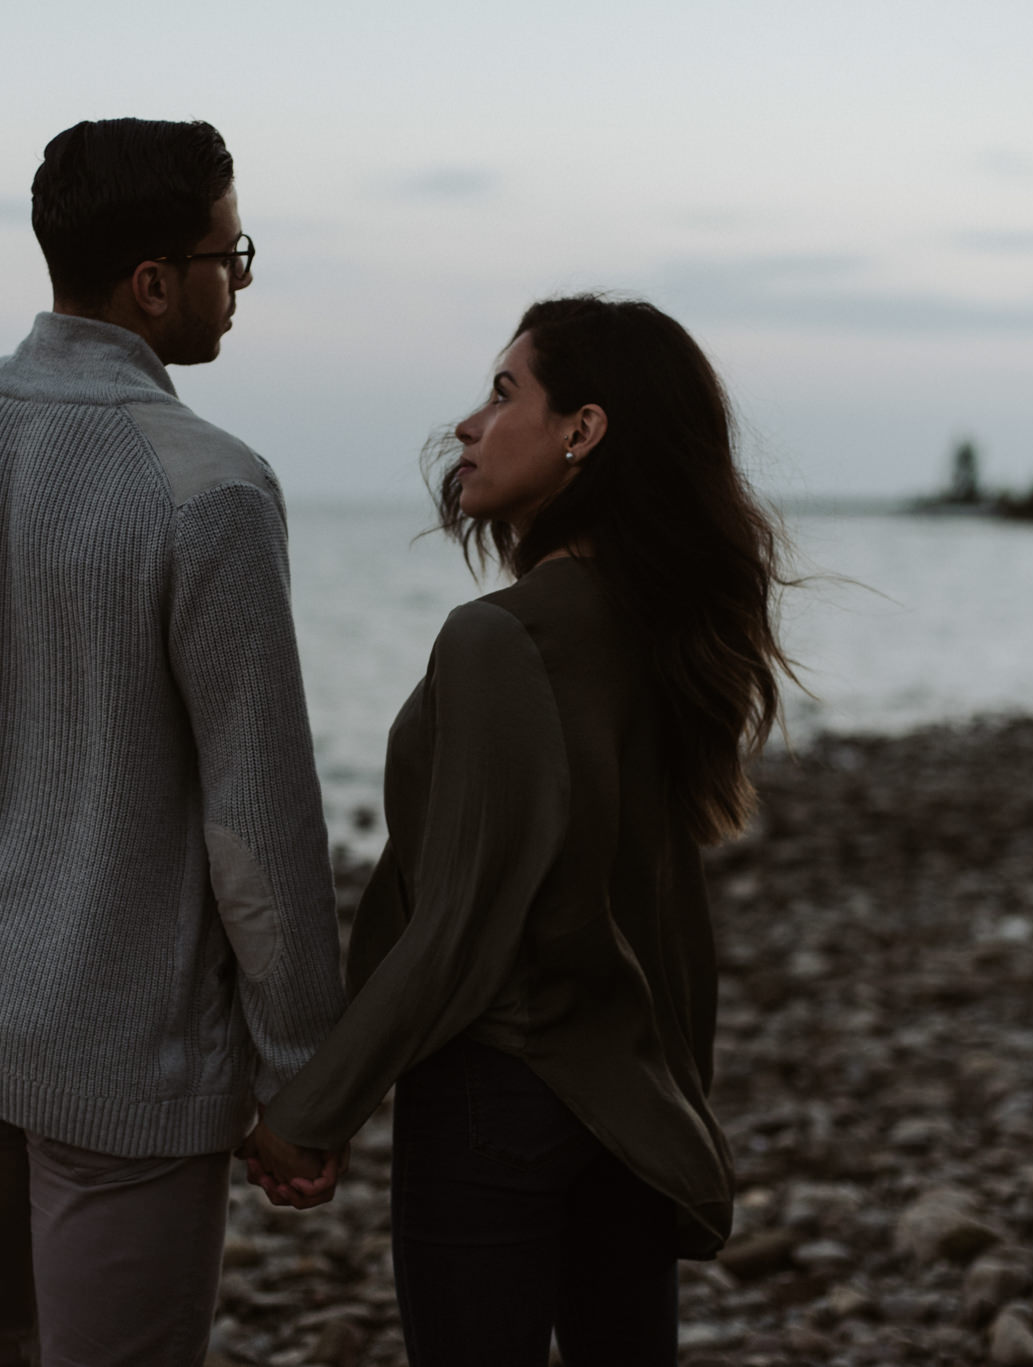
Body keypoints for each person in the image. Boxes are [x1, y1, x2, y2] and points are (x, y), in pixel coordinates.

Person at [0, 118, 347, 1367]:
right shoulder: (207, 486)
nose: (242, 281)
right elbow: (255, 818)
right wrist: (303, 1068)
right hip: (118, 1041)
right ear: (153, 283)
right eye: (232, 254)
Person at [248, 295, 794, 1365]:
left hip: (499, 1098)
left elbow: (460, 920)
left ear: (580, 431)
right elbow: (668, 915)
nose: (467, 423)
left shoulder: (498, 636)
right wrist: (678, 1098)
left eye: (504, 393)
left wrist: (311, 1107)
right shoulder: (666, 630)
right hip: (630, 1104)